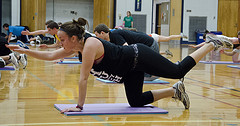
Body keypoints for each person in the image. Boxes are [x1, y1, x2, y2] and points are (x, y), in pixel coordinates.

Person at [6, 17, 233, 113]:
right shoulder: (75, 48)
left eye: (63, 39)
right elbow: (49, 56)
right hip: (131, 70)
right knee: (135, 101)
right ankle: (174, 91)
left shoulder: (90, 45)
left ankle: (210, 44)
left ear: (74, 38)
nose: (60, 43)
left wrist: (80, 106)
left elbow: (83, 78)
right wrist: (24, 50)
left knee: (177, 70)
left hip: (139, 56)